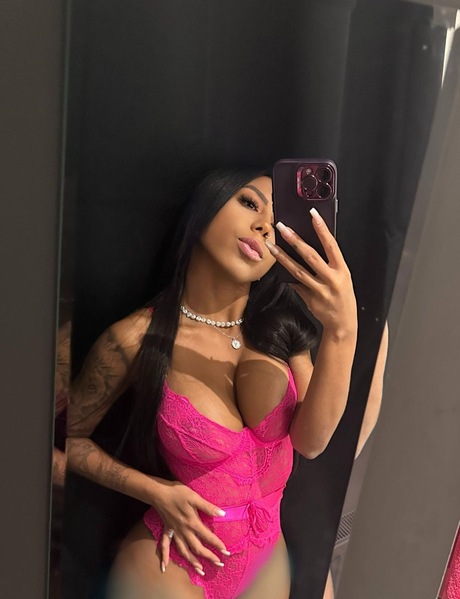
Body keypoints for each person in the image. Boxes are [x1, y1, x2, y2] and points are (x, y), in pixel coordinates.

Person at [67, 167, 357, 599]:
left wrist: (342, 330)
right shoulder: (136, 339)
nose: (263, 227)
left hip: (266, 564)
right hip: (169, 569)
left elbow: (312, 443)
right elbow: (66, 443)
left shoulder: (282, 327)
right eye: (249, 203)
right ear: (205, 208)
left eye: (276, 224)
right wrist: (155, 490)